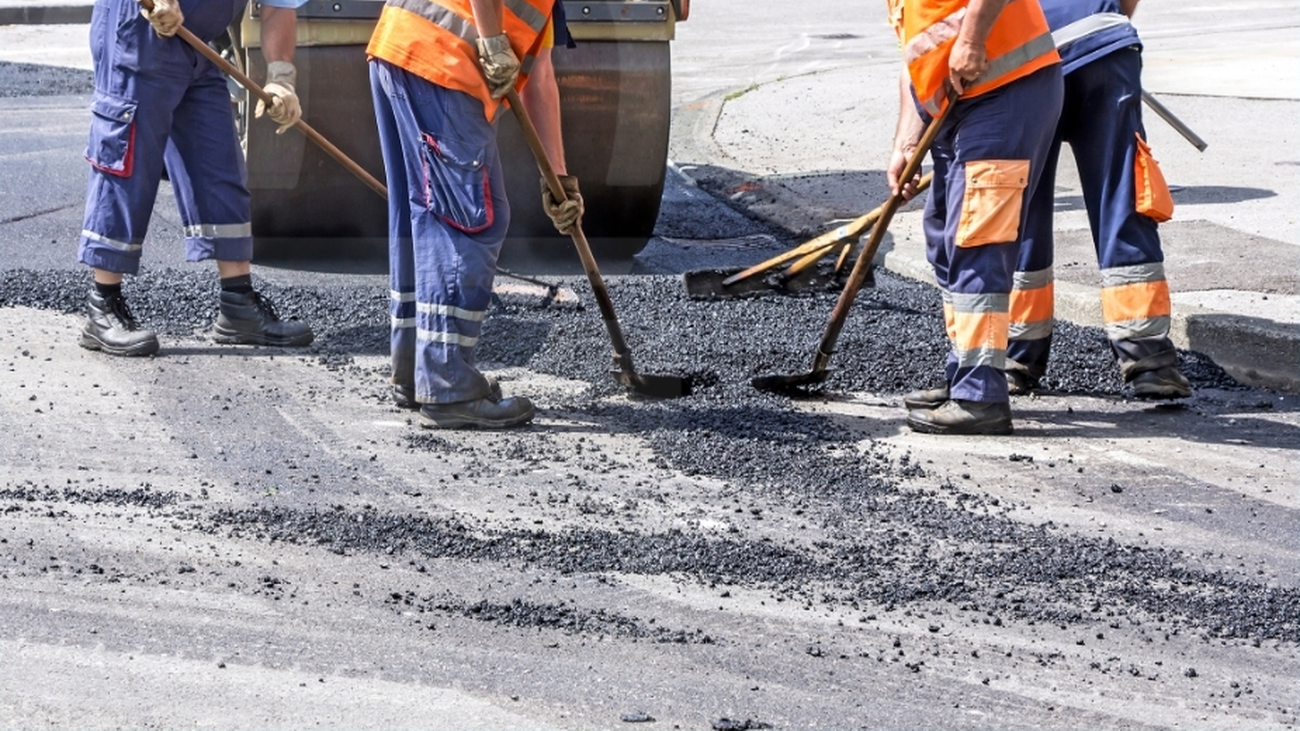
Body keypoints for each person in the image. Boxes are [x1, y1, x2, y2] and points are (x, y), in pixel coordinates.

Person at [366, 0, 581, 429]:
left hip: (404, 49)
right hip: (440, 63)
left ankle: (417, 372)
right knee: (468, 221)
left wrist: (558, 180)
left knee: (423, 216)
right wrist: (489, 38)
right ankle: (448, 384)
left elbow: (539, 77)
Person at [78, 0, 314, 357]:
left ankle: (237, 304)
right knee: (127, 161)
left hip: (197, 44)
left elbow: (278, 5)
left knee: (218, 162)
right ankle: (102, 304)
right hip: (137, 32)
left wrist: (282, 77)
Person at [888, 0, 1064, 435]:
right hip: (960, 105)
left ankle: (980, 395)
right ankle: (964, 372)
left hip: (1005, 90)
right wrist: (906, 144)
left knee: (977, 241)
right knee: (945, 238)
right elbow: (915, 58)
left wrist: (971, 39)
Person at [1004, 0, 1192, 399]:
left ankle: (1014, 358)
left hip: (1024, 58)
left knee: (1023, 204)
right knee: (1120, 197)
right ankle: (1149, 360)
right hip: (1103, 43)